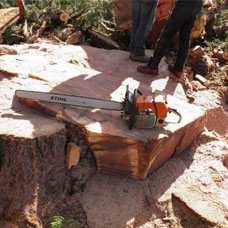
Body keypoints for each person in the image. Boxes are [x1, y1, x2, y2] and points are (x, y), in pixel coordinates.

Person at [137, 0, 203, 76]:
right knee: (185, 36)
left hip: (185, 4)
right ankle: (178, 68)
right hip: (197, 4)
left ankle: (152, 66)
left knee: (166, 35)